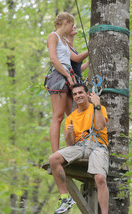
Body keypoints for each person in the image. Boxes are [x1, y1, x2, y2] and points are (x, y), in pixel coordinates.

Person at [49, 83, 111, 214]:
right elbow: (70, 144)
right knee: (54, 158)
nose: (78, 96)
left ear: (87, 94)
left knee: (100, 178)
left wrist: (97, 105)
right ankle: (65, 198)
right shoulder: (71, 117)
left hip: (98, 146)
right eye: (75, 94)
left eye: (80, 93)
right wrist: (69, 134)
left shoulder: (98, 108)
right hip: (80, 146)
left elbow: (100, 125)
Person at [46, 12, 76, 153]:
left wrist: (73, 79)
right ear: (66, 23)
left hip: (68, 75)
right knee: (58, 116)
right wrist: (67, 76)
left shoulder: (65, 41)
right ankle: (55, 152)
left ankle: (71, 148)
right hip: (59, 76)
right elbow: (53, 59)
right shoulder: (53, 36)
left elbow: (70, 61)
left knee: (71, 116)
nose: (72, 28)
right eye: (71, 25)